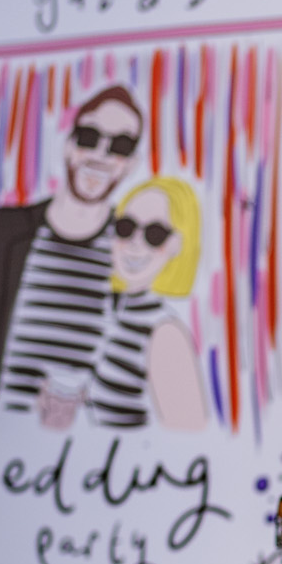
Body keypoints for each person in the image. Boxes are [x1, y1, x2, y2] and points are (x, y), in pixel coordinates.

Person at [0, 86, 143, 426]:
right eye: (89, 137)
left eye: (120, 146)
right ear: (68, 145)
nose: (101, 154)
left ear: (130, 165)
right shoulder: (1, 230)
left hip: (73, 460)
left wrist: (85, 409)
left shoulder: (129, 252)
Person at [93, 176, 209, 430]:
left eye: (155, 234)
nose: (135, 243)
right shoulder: (112, 311)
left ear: (177, 245)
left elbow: (186, 434)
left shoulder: (165, 333)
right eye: (125, 227)